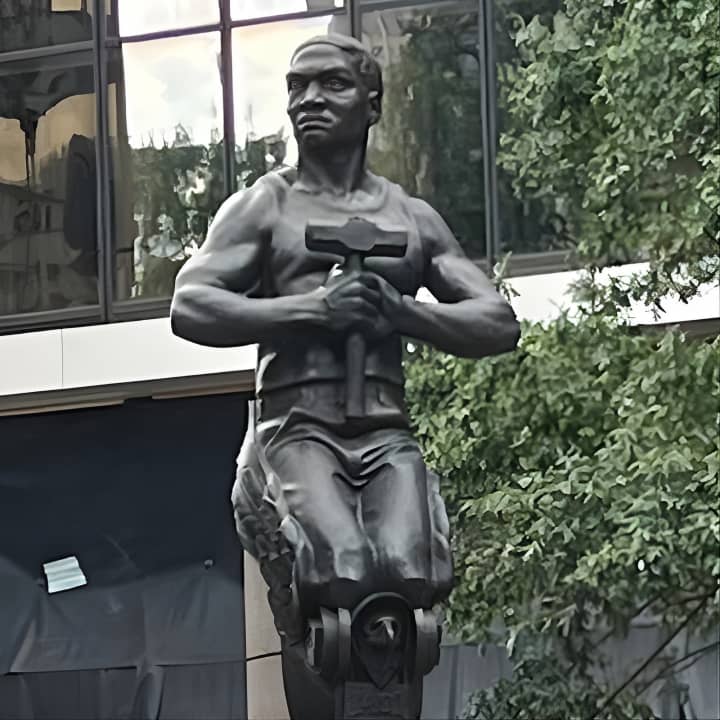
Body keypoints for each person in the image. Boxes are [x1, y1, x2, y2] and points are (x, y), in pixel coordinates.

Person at [171, 34, 520, 634]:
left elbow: (498, 322)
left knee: (414, 575)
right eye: (297, 86)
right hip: (297, 425)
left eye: (332, 84)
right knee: (342, 570)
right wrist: (313, 309)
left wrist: (402, 312)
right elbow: (191, 304)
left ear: (372, 104)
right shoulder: (265, 207)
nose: (309, 98)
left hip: (385, 430)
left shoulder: (411, 217)